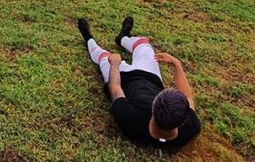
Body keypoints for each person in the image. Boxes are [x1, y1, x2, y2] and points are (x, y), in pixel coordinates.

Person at [77, 16, 201, 146]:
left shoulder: (130, 120)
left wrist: (114, 64)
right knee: (143, 43)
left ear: (153, 106)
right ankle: (122, 38)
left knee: (103, 56)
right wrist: (177, 64)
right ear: (183, 119)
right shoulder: (191, 128)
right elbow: (188, 96)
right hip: (151, 77)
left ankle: (88, 38)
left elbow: (115, 88)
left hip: (122, 77)